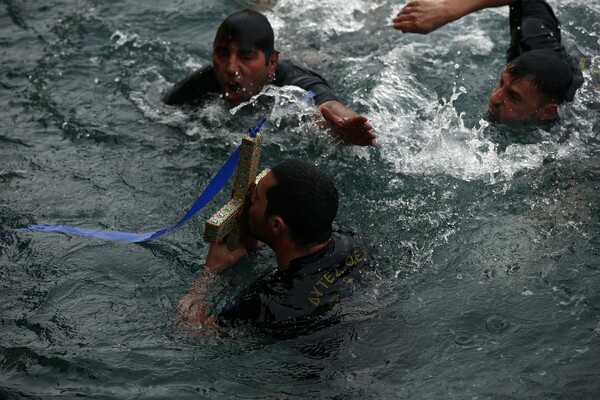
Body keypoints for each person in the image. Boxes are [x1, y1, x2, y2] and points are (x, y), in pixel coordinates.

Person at [177, 159, 374, 331]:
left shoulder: (270, 301)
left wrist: (209, 272)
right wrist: (260, 238)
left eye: (255, 198)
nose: (248, 199)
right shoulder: (355, 242)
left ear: (276, 225)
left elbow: (193, 331)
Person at [164, 9, 376, 146]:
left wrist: (344, 124)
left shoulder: (293, 81)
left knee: (317, 55)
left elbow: (326, 105)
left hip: (310, 59)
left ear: (271, 63)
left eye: (245, 57)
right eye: (222, 54)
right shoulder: (202, 82)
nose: (231, 68)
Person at [392, 0, 584, 124]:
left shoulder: (579, 128)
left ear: (547, 112)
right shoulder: (531, 40)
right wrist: (449, 8)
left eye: (514, 97)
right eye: (502, 81)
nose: (494, 98)